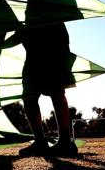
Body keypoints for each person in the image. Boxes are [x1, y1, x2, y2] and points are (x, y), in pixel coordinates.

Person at [15, 22, 78, 157]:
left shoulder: (45, 13)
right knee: (30, 96)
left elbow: (19, 35)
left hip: (52, 43)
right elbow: (19, 34)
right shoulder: (27, 15)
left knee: (54, 91)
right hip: (37, 49)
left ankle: (63, 141)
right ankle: (42, 142)